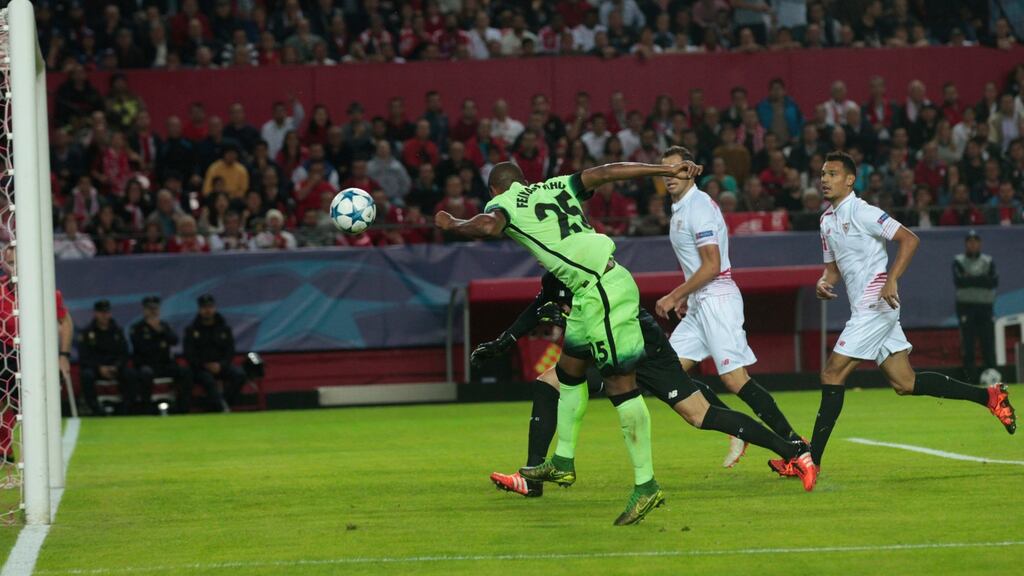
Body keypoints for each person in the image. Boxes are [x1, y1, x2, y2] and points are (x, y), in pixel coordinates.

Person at [435, 158, 813, 524]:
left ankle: (645, 484)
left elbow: (486, 227)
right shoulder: (554, 187)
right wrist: (663, 169)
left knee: (627, 389)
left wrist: (452, 222)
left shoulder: (506, 206)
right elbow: (608, 173)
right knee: (563, 374)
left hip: (606, 298)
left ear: (495, 190)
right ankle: (557, 464)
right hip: (604, 297)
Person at [784, 151, 1016, 486]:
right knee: (905, 383)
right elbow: (834, 268)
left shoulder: (864, 212)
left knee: (832, 372)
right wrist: (825, 282)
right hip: (866, 309)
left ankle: (811, 461)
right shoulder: (826, 221)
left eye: (832, 173)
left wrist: (892, 277)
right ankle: (990, 396)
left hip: (877, 305)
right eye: (822, 173)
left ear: (850, 180)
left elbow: (910, 238)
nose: (824, 179)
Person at [477, 273, 818, 498]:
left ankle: (794, 451)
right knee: (549, 383)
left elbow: (603, 310)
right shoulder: (557, 271)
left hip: (637, 343)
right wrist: (504, 340)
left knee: (699, 415)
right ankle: (533, 477)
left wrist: (566, 315)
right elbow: (541, 304)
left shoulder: (587, 264)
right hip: (614, 343)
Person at [655, 146, 805, 467]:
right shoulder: (680, 208)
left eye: (677, 169)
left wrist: (675, 296)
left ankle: (794, 445)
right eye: (664, 170)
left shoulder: (699, 208)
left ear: (690, 170)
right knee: (665, 373)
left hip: (718, 297)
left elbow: (712, 265)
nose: (670, 176)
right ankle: (733, 426)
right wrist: (688, 297)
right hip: (699, 302)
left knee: (735, 380)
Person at [0, 245, 74, 459]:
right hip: (6, 353)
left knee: (33, 407)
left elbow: (65, 321)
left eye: (17, 264)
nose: (13, 269)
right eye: (10, 264)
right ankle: (5, 452)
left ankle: (32, 455)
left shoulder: (46, 292)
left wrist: (64, 356)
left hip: (37, 356)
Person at [183, 294, 246, 413]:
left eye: (210, 307)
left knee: (239, 375)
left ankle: (225, 403)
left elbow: (230, 351)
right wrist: (204, 365)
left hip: (221, 366)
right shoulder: (191, 330)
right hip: (200, 368)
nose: (208, 310)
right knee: (207, 380)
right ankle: (218, 407)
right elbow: (189, 354)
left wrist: (221, 365)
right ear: (200, 309)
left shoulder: (224, 329)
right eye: (204, 307)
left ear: (214, 308)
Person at [130, 296, 194, 414]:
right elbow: (141, 348)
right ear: (144, 310)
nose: (153, 312)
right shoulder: (137, 328)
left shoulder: (164, 326)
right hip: (146, 365)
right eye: (150, 309)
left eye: (155, 309)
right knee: (145, 374)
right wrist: (154, 332)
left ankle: (182, 408)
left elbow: (174, 340)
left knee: (185, 372)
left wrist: (159, 330)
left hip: (164, 365)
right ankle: (146, 409)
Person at [78, 299, 138, 415]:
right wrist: (99, 368)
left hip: (115, 367)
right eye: (101, 312)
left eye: (106, 312)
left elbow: (124, 353)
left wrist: (116, 366)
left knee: (130, 374)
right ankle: (94, 408)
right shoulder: (87, 333)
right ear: (95, 313)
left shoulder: (117, 331)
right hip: (96, 368)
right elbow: (85, 356)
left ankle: (126, 408)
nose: (104, 316)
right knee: (87, 375)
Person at [953, 231, 999, 383]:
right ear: (966, 244)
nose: (973, 244)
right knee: (968, 344)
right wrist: (981, 278)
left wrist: (970, 278)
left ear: (980, 243)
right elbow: (960, 281)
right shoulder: (958, 260)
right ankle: (969, 379)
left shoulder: (988, 260)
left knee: (988, 342)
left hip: (985, 307)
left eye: (975, 241)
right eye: (970, 241)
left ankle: (992, 377)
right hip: (966, 307)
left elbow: (992, 281)